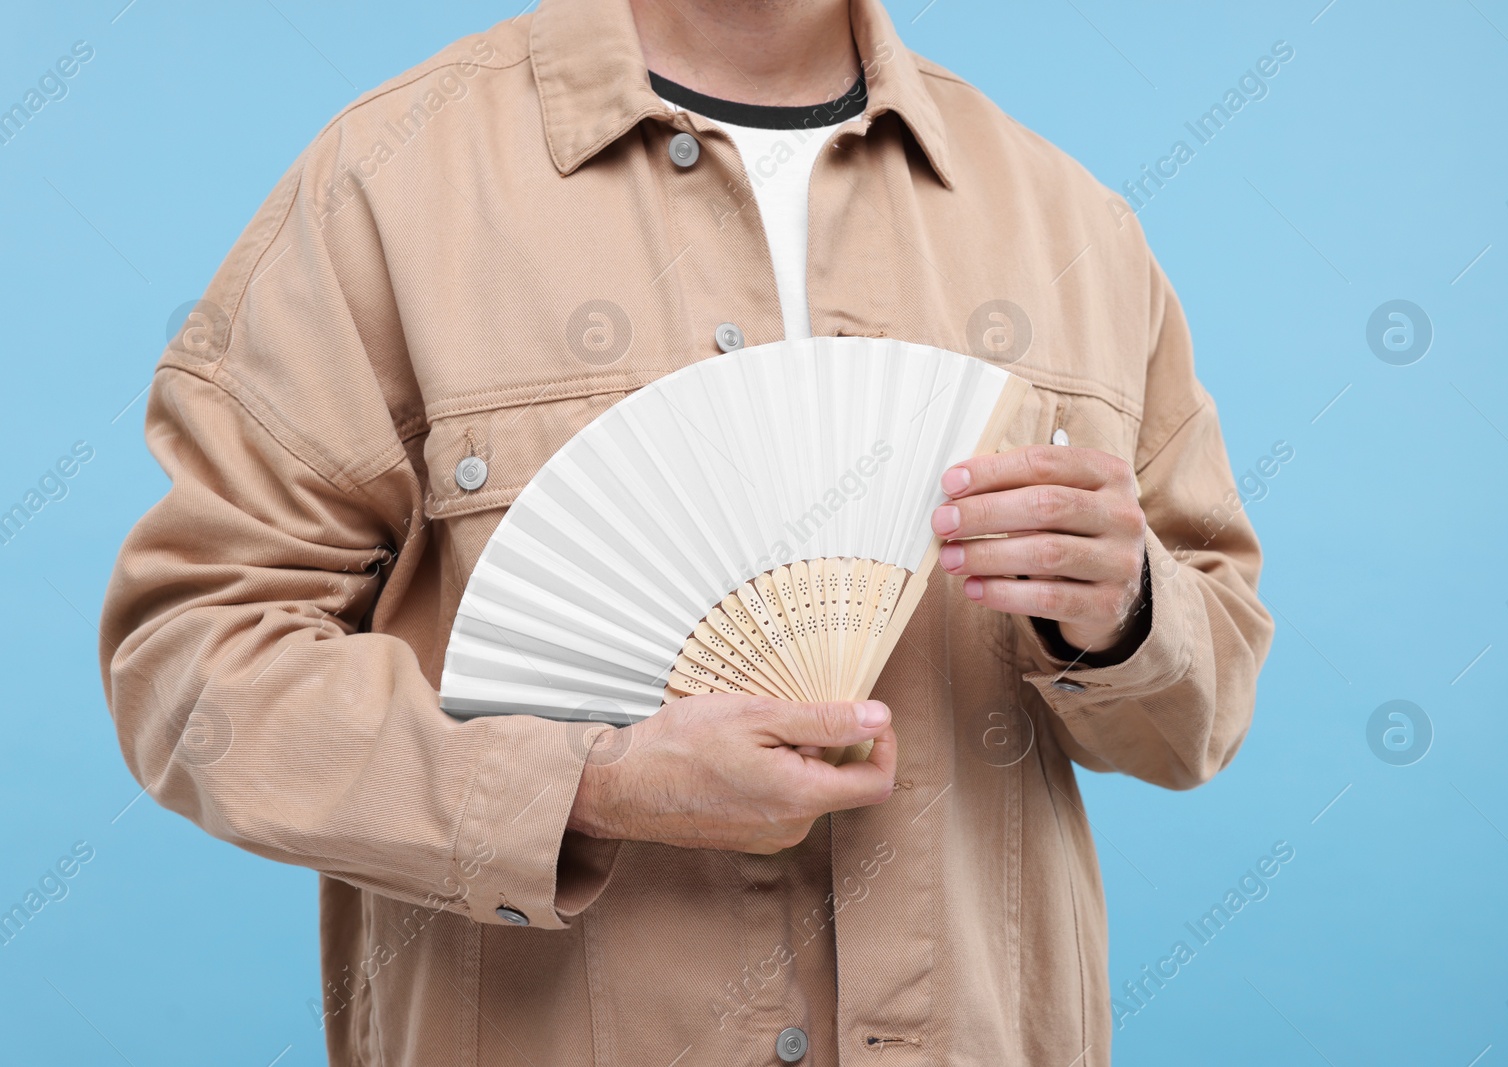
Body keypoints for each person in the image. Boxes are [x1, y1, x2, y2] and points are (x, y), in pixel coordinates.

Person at [98, 0, 1273, 1063]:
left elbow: (1198, 714)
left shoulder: (1069, 224)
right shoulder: (388, 188)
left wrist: (1123, 613)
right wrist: (586, 786)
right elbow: (194, 669)